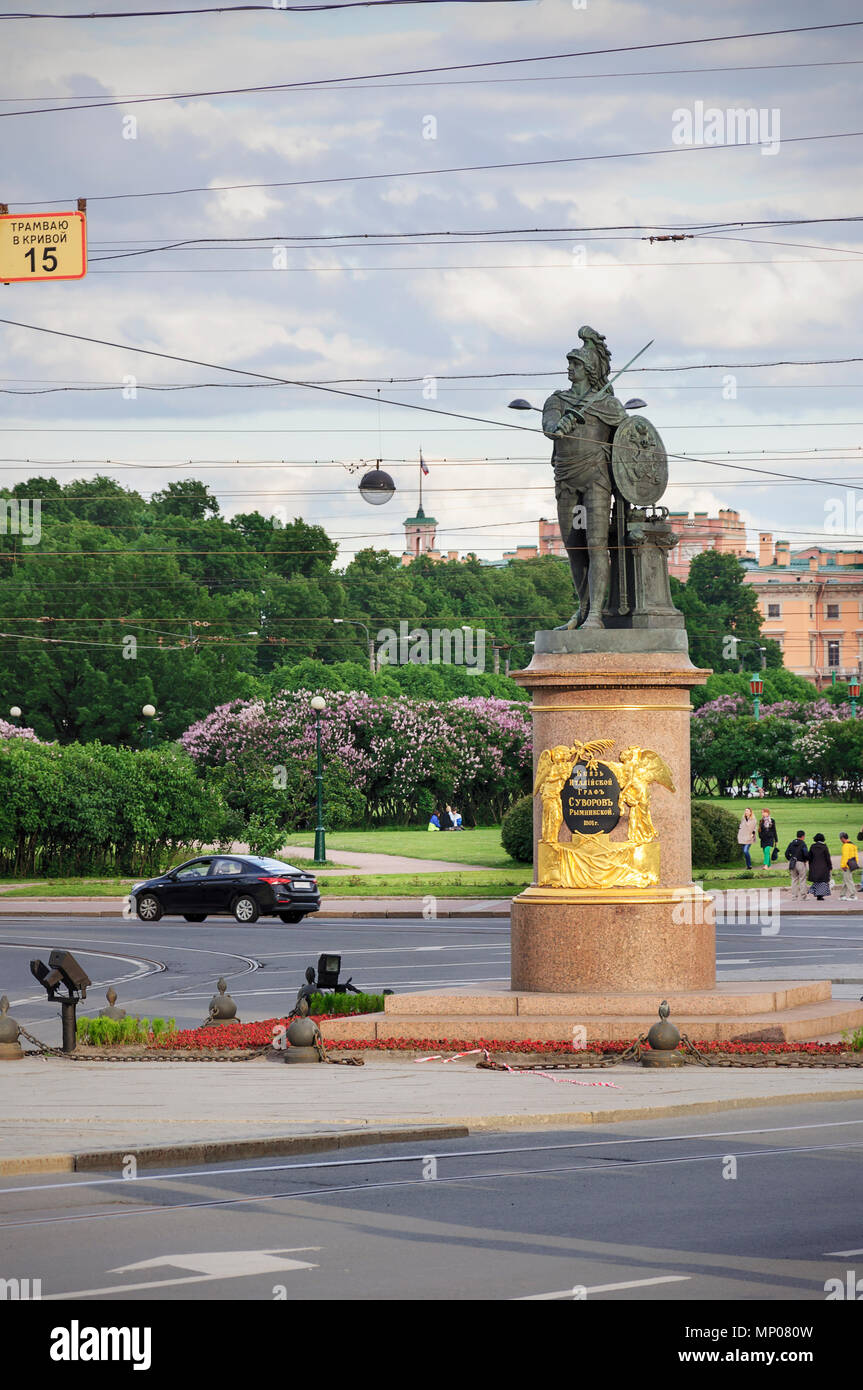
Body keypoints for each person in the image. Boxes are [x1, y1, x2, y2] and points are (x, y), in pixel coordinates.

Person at [807, 833, 833, 901]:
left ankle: (817, 894)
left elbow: (809, 857)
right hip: (823, 867)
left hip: (814, 867)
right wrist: (830, 867)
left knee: (817, 882)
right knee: (823, 882)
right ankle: (820, 895)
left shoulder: (812, 846)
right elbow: (828, 858)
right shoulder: (824, 847)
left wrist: (810, 866)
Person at [784, 830, 808, 900]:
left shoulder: (791, 843)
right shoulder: (803, 844)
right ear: (803, 836)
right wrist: (806, 859)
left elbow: (786, 853)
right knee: (802, 879)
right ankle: (803, 896)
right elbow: (806, 853)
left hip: (792, 862)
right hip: (800, 862)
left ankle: (794, 896)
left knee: (794, 879)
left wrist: (790, 859)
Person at [838, 832, 859, 900]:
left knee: (848, 880)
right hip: (852, 864)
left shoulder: (845, 846)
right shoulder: (853, 845)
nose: (840, 840)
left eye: (840, 839)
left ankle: (853, 895)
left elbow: (845, 857)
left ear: (843, 838)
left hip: (846, 865)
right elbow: (856, 856)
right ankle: (842, 895)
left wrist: (843, 865)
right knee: (846, 880)